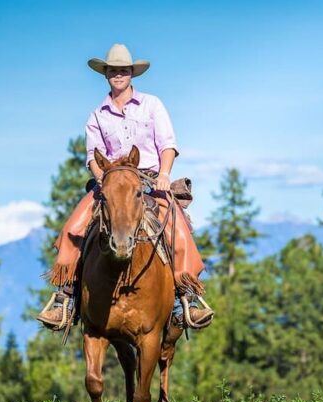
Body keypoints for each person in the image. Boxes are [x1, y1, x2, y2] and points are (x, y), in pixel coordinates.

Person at [37, 43, 214, 330]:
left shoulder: (152, 105)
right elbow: (93, 157)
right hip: (110, 181)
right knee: (74, 227)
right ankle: (65, 296)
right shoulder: (97, 116)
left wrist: (165, 174)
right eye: (113, 71)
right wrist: (103, 179)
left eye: (123, 70)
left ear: (131, 74)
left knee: (177, 226)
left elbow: (167, 145)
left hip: (148, 179)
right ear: (106, 75)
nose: (118, 75)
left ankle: (186, 296)